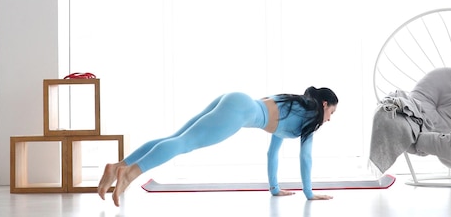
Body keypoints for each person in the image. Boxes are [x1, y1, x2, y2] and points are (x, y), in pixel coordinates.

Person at [97, 86, 339, 207]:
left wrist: (274, 188)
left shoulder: (292, 104)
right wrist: (309, 194)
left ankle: (117, 166)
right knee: (184, 143)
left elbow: (272, 152)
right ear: (324, 104)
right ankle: (129, 173)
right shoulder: (310, 121)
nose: (329, 119)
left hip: (237, 99)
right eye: (331, 112)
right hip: (241, 112)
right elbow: (306, 159)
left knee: (176, 137)